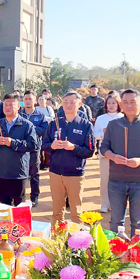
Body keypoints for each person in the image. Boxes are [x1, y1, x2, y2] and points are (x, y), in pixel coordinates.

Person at [100, 89, 140, 236]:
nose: (129, 105)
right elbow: (104, 147)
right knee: (116, 221)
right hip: (116, 179)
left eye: (133, 102)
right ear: (121, 104)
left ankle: (136, 256)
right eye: (125, 102)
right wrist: (113, 157)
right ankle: (116, 254)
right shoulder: (113, 124)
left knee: (138, 222)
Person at [42, 91, 94, 226]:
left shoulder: (85, 125)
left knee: (76, 213)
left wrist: (74, 147)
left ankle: (77, 244)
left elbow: (90, 151)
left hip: (75, 174)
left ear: (79, 104)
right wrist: (52, 145)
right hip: (55, 172)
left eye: (72, 102)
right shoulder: (54, 124)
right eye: (65, 102)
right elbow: (43, 145)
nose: (68, 105)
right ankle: (58, 241)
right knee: (57, 212)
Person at [0, 93, 37, 205]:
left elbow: (33, 145)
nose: (7, 108)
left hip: (19, 172)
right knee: (4, 205)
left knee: (19, 206)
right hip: (2, 172)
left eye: (11, 105)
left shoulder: (27, 125)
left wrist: (13, 143)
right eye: (5, 105)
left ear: (18, 106)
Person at [93, 93, 123, 213]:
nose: (111, 105)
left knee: (119, 179)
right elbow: (95, 134)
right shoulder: (101, 119)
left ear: (118, 104)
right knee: (105, 179)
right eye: (109, 103)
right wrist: (103, 134)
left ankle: (117, 204)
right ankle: (105, 203)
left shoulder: (123, 117)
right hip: (105, 152)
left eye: (113, 103)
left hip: (120, 153)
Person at [19, 91, 50, 206]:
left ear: (35, 101)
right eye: (26, 99)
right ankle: (20, 197)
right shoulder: (19, 115)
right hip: (21, 148)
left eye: (30, 99)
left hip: (34, 148)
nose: (28, 101)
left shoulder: (40, 116)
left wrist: (30, 128)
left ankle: (34, 197)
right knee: (20, 173)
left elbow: (45, 131)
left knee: (34, 173)